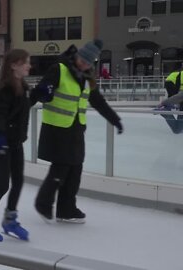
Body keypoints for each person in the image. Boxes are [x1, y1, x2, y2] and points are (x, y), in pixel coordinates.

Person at [32, 39, 123, 224]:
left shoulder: (89, 78)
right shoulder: (59, 69)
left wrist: (115, 120)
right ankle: (43, 203)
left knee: (75, 169)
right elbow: (41, 89)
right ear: (77, 56)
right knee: (61, 168)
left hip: (75, 129)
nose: (84, 64)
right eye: (83, 60)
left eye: (89, 62)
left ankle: (66, 209)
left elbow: (97, 101)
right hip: (57, 128)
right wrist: (40, 95)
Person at [0, 49, 32, 242]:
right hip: (2, 142)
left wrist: (42, 93)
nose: (29, 65)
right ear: (13, 65)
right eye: (25, 62)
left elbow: (22, 109)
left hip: (16, 142)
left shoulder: (23, 87)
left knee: (18, 182)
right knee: (2, 185)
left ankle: (10, 220)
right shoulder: (6, 89)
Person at [155, 66, 183, 134]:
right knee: (177, 129)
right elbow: (179, 97)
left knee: (178, 129)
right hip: (172, 82)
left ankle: (166, 111)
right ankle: (166, 112)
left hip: (172, 82)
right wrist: (164, 103)